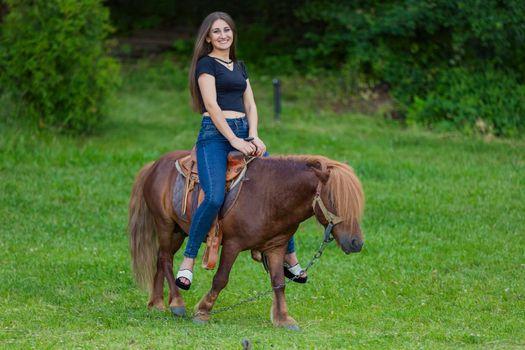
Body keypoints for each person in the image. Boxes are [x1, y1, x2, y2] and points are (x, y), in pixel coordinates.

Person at [176, 11, 307, 290]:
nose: (223, 35)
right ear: (208, 37)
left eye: (227, 30)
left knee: (278, 191)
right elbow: (211, 105)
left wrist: (253, 135)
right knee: (213, 198)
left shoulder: (239, 66)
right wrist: (234, 140)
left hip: (243, 132)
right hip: (214, 135)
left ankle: (289, 258)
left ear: (232, 34)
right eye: (216, 31)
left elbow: (251, 105)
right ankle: (187, 261)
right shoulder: (205, 65)